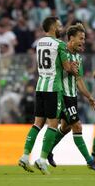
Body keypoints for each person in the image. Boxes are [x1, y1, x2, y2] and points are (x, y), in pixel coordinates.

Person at [18, 16, 77, 175]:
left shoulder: (39, 43)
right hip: (53, 88)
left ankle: (25, 156)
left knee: (37, 124)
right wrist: (73, 67)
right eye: (59, 25)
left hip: (40, 86)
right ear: (52, 27)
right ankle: (42, 159)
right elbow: (66, 68)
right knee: (52, 124)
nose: (62, 28)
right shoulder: (60, 44)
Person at [46, 23, 95, 171]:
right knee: (77, 125)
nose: (83, 41)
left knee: (65, 128)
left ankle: (47, 151)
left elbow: (79, 80)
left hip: (72, 96)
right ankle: (90, 161)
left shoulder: (78, 57)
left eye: (84, 39)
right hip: (62, 95)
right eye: (81, 38)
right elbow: (56, 72)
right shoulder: (61, 51)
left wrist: (89, 96)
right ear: (71, 38)